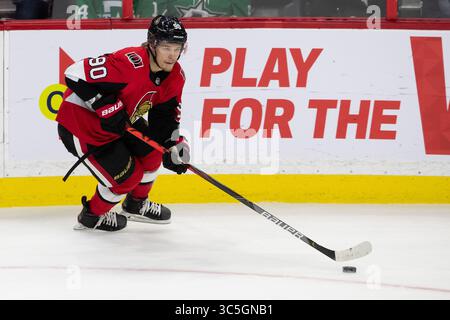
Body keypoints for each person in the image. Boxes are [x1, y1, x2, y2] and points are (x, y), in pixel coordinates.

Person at [56, 15, 190, 232]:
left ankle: (135, 205)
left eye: (177, 48)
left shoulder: (175, 76)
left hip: (121, 123)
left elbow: (165, 118)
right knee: (127, 179)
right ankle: (91, 216)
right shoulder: (129, 62)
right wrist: (107, 106)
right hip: (82, 127)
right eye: (166, 47)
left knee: (155, 151)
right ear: (153, 44)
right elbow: (74, 73)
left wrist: (173, 144)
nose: (172, 55)